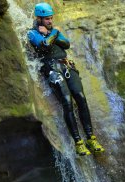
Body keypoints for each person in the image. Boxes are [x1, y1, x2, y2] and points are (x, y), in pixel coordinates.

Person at [27, 2, 104, 156]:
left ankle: (90, 138)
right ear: (39, 19)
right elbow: (45, 46)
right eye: (47, 19)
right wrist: (54, 33)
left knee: (80, 98)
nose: (50, 21)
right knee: (67, 101)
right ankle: (78, 142)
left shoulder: (50, 29)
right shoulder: (32, 33)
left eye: (51, 18)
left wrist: (51, 34)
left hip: (66, 65)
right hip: (51, 69)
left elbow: (66, 44)